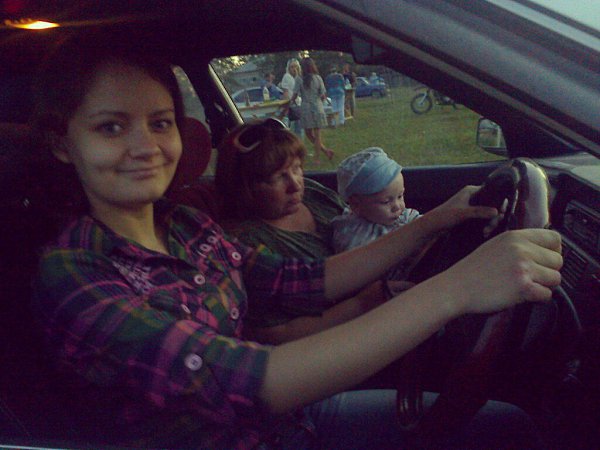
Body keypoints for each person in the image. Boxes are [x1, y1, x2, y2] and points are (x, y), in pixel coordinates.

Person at [31, 35, 562, 450]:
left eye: (160, 122)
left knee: (507, 427)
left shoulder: (186, 226)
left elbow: (305, 280)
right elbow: (257, 382)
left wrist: (434, 222)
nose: (146, 146)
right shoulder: (73, 276)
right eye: (111, 128)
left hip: (288, 424)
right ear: (61, 142)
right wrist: (456, 289)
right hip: (253, 427)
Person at [332, 147, 422, 280]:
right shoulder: (352, 236)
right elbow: (358, 272)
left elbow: (424, 223)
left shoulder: (403, 216)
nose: (397, 206)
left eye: (400, 196)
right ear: (356, 204)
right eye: (386, 202)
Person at [291, 57, 334, 164]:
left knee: (309, 134)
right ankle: (322, 154)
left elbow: (294, 95)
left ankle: (318, 157)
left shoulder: (299, 79)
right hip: (317, 107)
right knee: (317, 134)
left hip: (306, 108)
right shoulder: (318, 78)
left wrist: (290, 103)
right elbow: (323, 95)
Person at [279, 58, 304, 138]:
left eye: (296, 67)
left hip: (299, 103)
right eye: (292, 67)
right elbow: (285, 92)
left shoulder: (298, 77)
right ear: (288, 68)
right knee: (294, 125)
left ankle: (299, 140)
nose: (294, 69)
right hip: (291, 104)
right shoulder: (287, 77)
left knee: (299, 125)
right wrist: (287, 105)